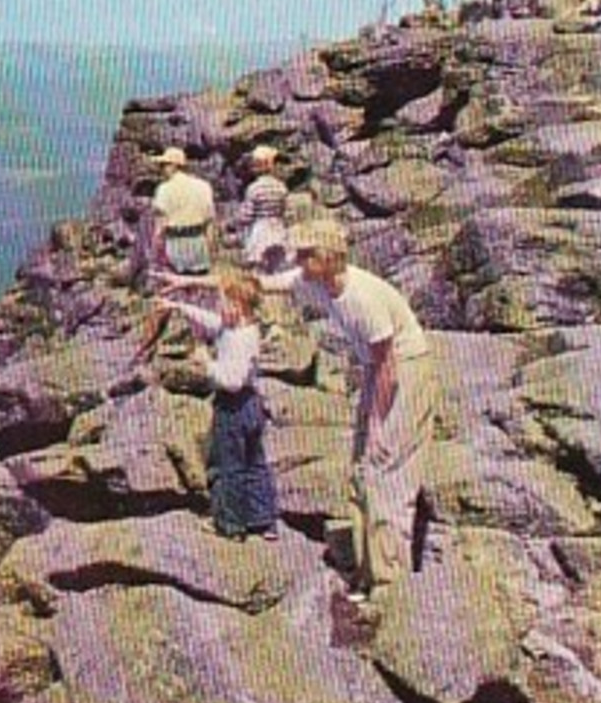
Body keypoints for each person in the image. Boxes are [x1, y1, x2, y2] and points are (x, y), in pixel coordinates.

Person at [169, 220, 435, 604]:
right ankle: (365, 570)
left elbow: (389, 366)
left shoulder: (361, 297)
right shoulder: (315, 280)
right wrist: (190, 286)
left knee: (386, 472)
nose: (295, 261)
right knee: (362, 469)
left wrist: (376, 425)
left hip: (403, 372)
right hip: (378, 371)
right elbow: (255, 284)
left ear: (326, 257)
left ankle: (389, 591)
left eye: (304, 255)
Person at [157, 271, 278, 541]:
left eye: (222, 302)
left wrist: (206, 363)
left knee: (229, 465)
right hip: (252, 404)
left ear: (237, 305)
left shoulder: (240, 339)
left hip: (233, 405)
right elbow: (209, 321)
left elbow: (232, 381)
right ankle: (263, 519)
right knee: (255, 461)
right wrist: (178, 306)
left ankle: (230, 524)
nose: (217, 307)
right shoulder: (241, 328)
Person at [150, 147, 217, 277]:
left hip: (175, 244)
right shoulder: (204, 186)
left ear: (173, 166)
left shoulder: (164, 189)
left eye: (163, 165)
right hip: (198, 243)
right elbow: (210, 222)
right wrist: (211, 250)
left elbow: (160, 225)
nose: (161, 169)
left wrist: (155, 252)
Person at [239, 145, 290, 273]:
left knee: (258, 267)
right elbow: (286, 210)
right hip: (278, 227)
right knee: (277, 266)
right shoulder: (281, 186)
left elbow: (247, 215)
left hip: (260, 228)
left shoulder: (254, 188)